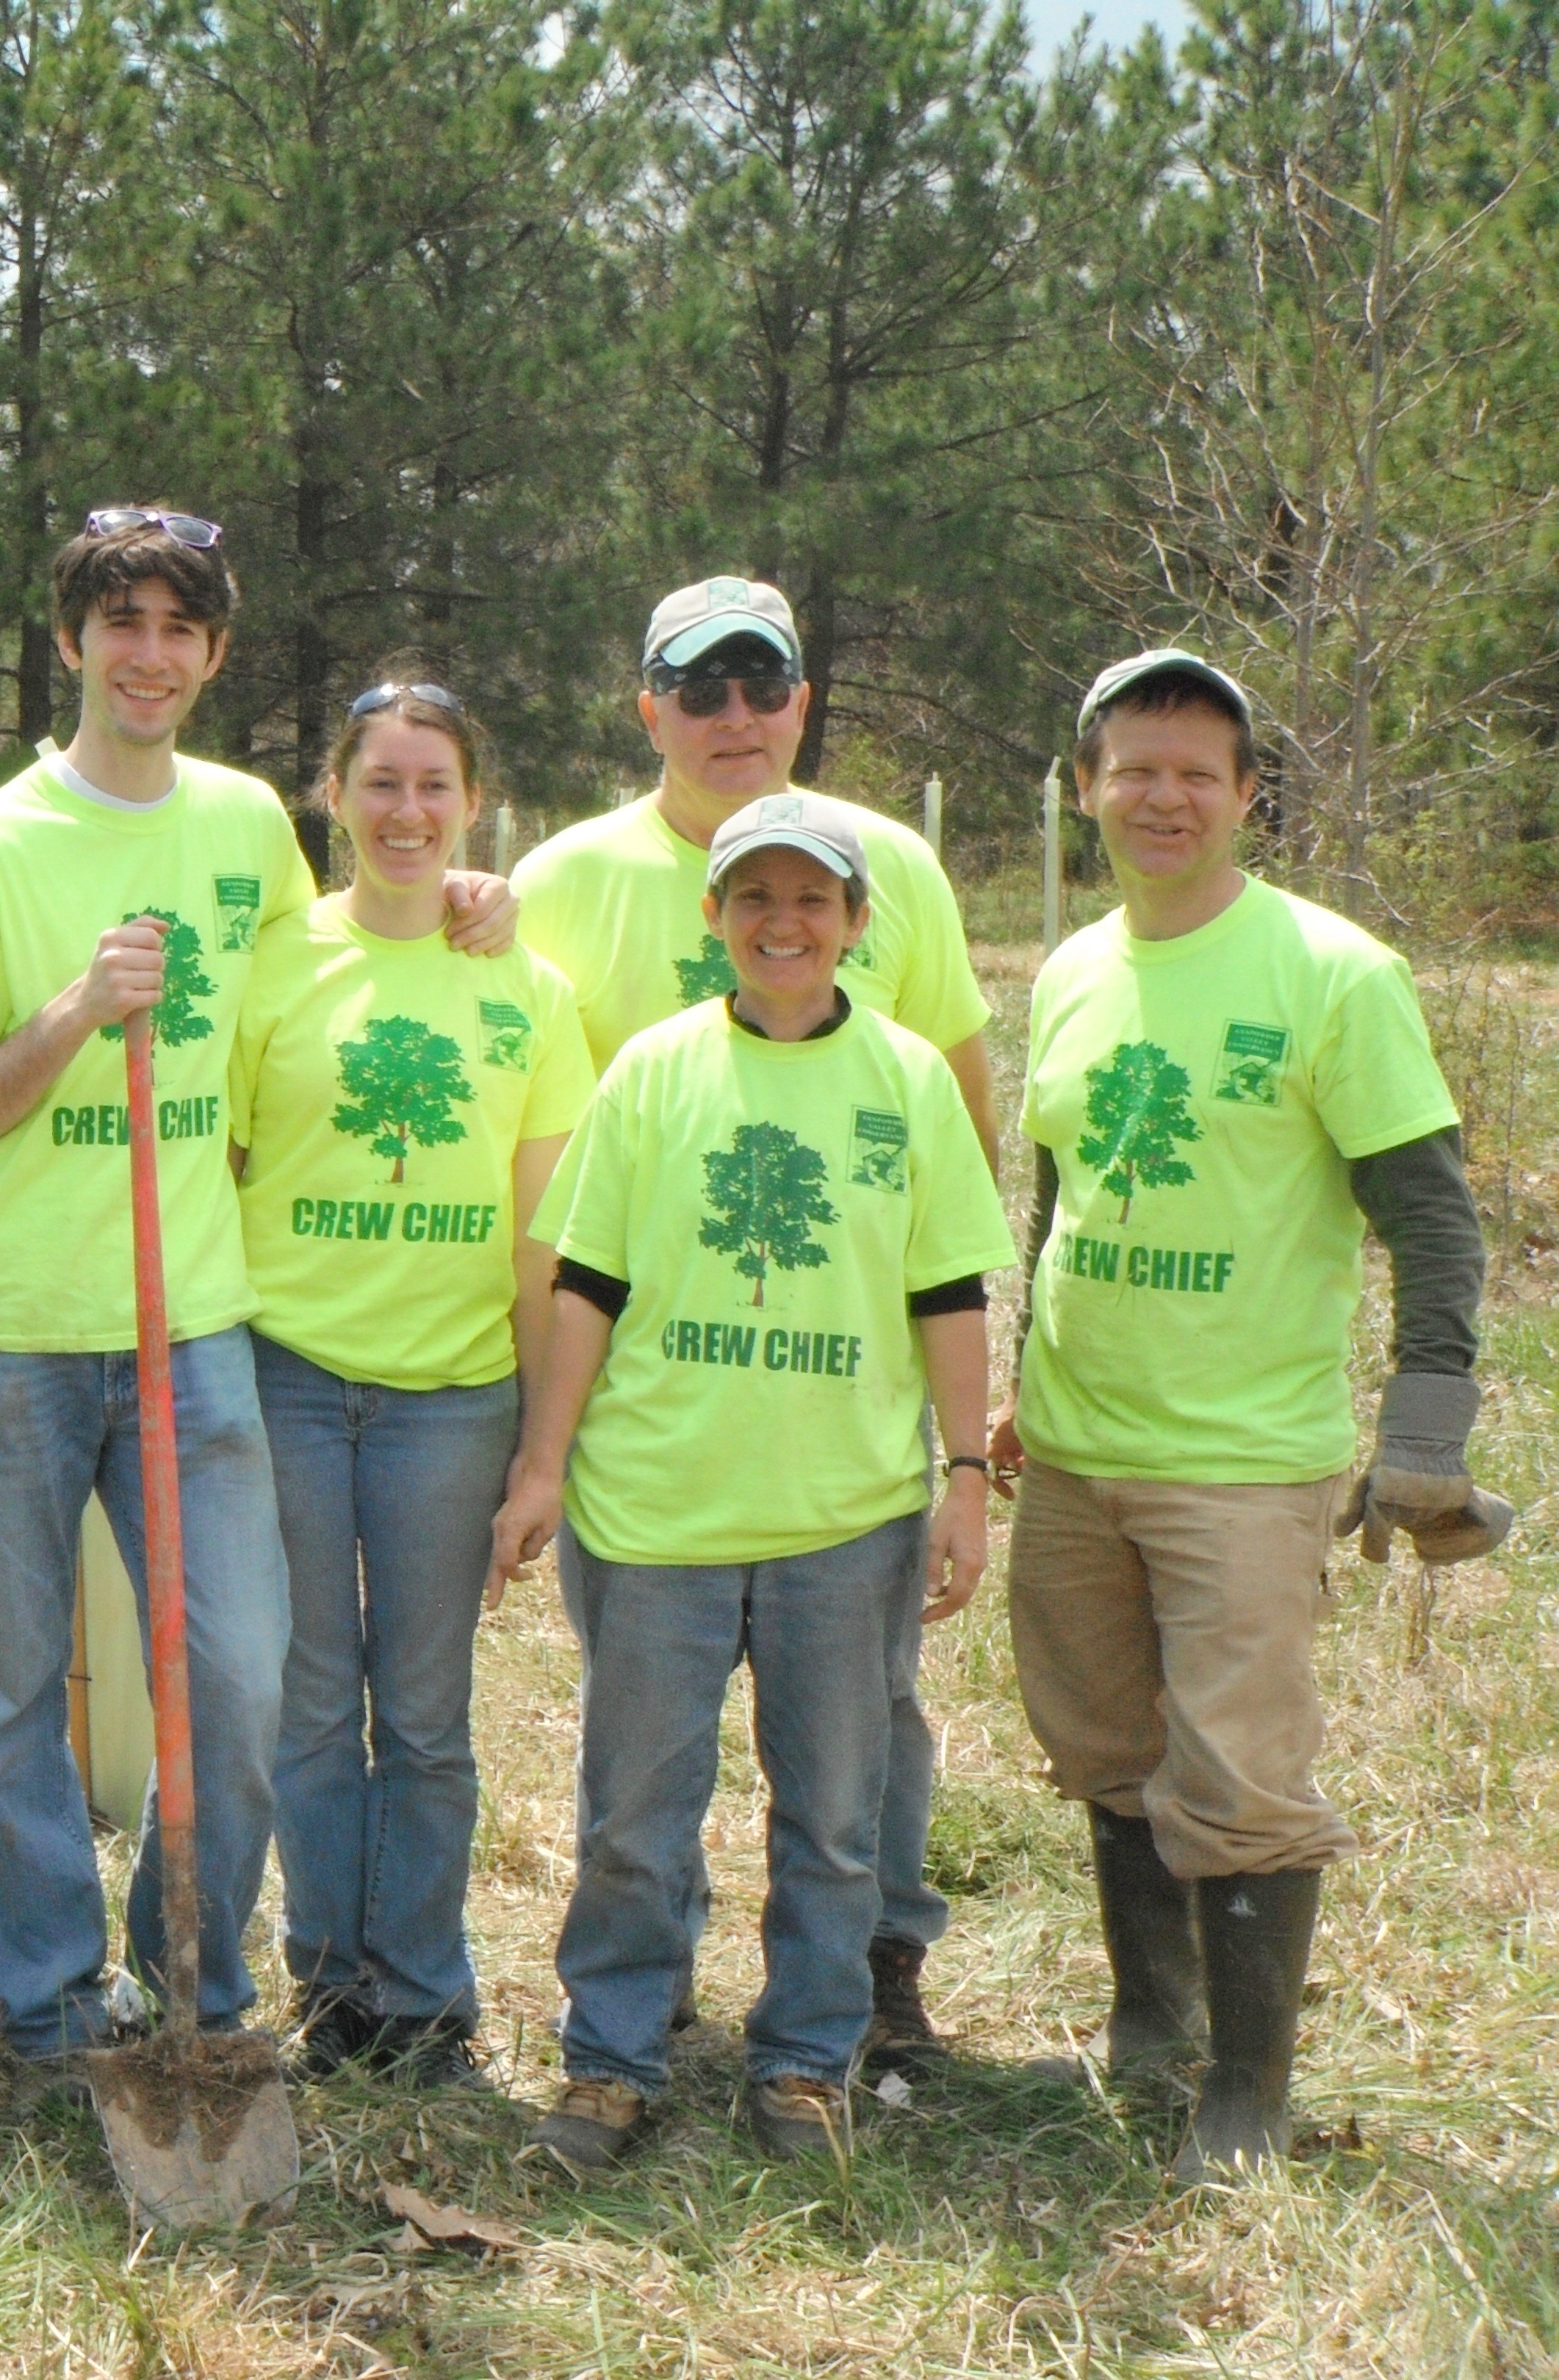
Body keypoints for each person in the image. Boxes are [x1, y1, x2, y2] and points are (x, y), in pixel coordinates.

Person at [0, 507, 516, 2080]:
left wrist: (471, 907)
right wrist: (75, 1016)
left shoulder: (244, 828)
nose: (148, 656)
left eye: (180, 628)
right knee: (18, 1696)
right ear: (74, 640)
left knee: (235, 1686)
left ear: (217, 655)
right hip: (11, 1330)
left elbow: (334, 978)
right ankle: (48, 2009)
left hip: (192, 1333)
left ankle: (199, 1980)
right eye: (121, 623)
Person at [990, 650, 1501, 2179]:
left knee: (1243, 1775)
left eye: (1197, 773)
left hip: (1243, 1458)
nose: (1164, 796)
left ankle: (1245, 2091)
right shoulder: (1075, 967)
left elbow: (1435, 1218)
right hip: (1079, 1447)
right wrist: (1023, 1385)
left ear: (1245, 798)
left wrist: (1426, 1426)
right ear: (1088, 789)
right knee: (1104, 1743)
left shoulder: (1331, 972)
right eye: (1134, 769)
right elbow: (1061, 1192)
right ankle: (1154, 2026)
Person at [511, 574, 995, 2069]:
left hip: (838, 1481)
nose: (733, 713)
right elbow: (581, 1252)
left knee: (848, 1775)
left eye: (760, 684)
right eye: (699, 686)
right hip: (654, 1465)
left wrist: (962, 1459)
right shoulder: (573, 905)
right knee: (637, 1791)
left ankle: (843, 2015)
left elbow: (944, 1240)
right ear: (648, 703)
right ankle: (627, 2027)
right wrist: (546, 1453)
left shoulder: (901, 962)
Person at [227, 674, 593, 2088]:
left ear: (473, 805)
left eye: (434, 785)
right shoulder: (273, 967)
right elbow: (234, 1167)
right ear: (334, 795)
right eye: (380, 782)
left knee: (427, 1716)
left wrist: (537, 1443)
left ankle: (428, 1995)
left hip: (452, 1401)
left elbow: (541, 1236)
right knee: (314, 1699)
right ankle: (331, 1985)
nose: (407, 810)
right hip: (296, 1380)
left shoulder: (527, 988)